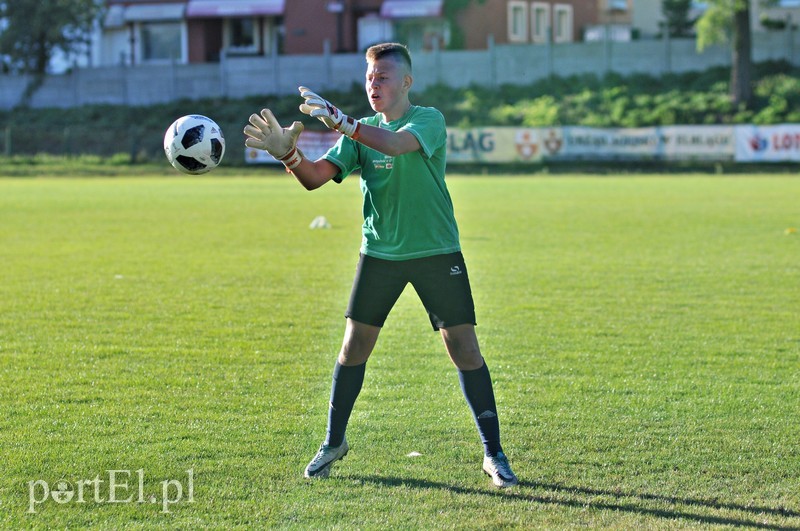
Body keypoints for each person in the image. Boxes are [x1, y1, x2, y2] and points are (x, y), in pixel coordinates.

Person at [243, 42, 517, 488]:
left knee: (464, 349)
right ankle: (334, 442)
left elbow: (394, 143)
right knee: (353, 348)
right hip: (380, 256)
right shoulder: (359, 132)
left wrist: (341, 121)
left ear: (406, 82)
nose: (374, 84)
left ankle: (494, 453)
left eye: (384, 77)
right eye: (369, 77)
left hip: (436, 252)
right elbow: (316, 179)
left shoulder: (427, 120)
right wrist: (286, 154)